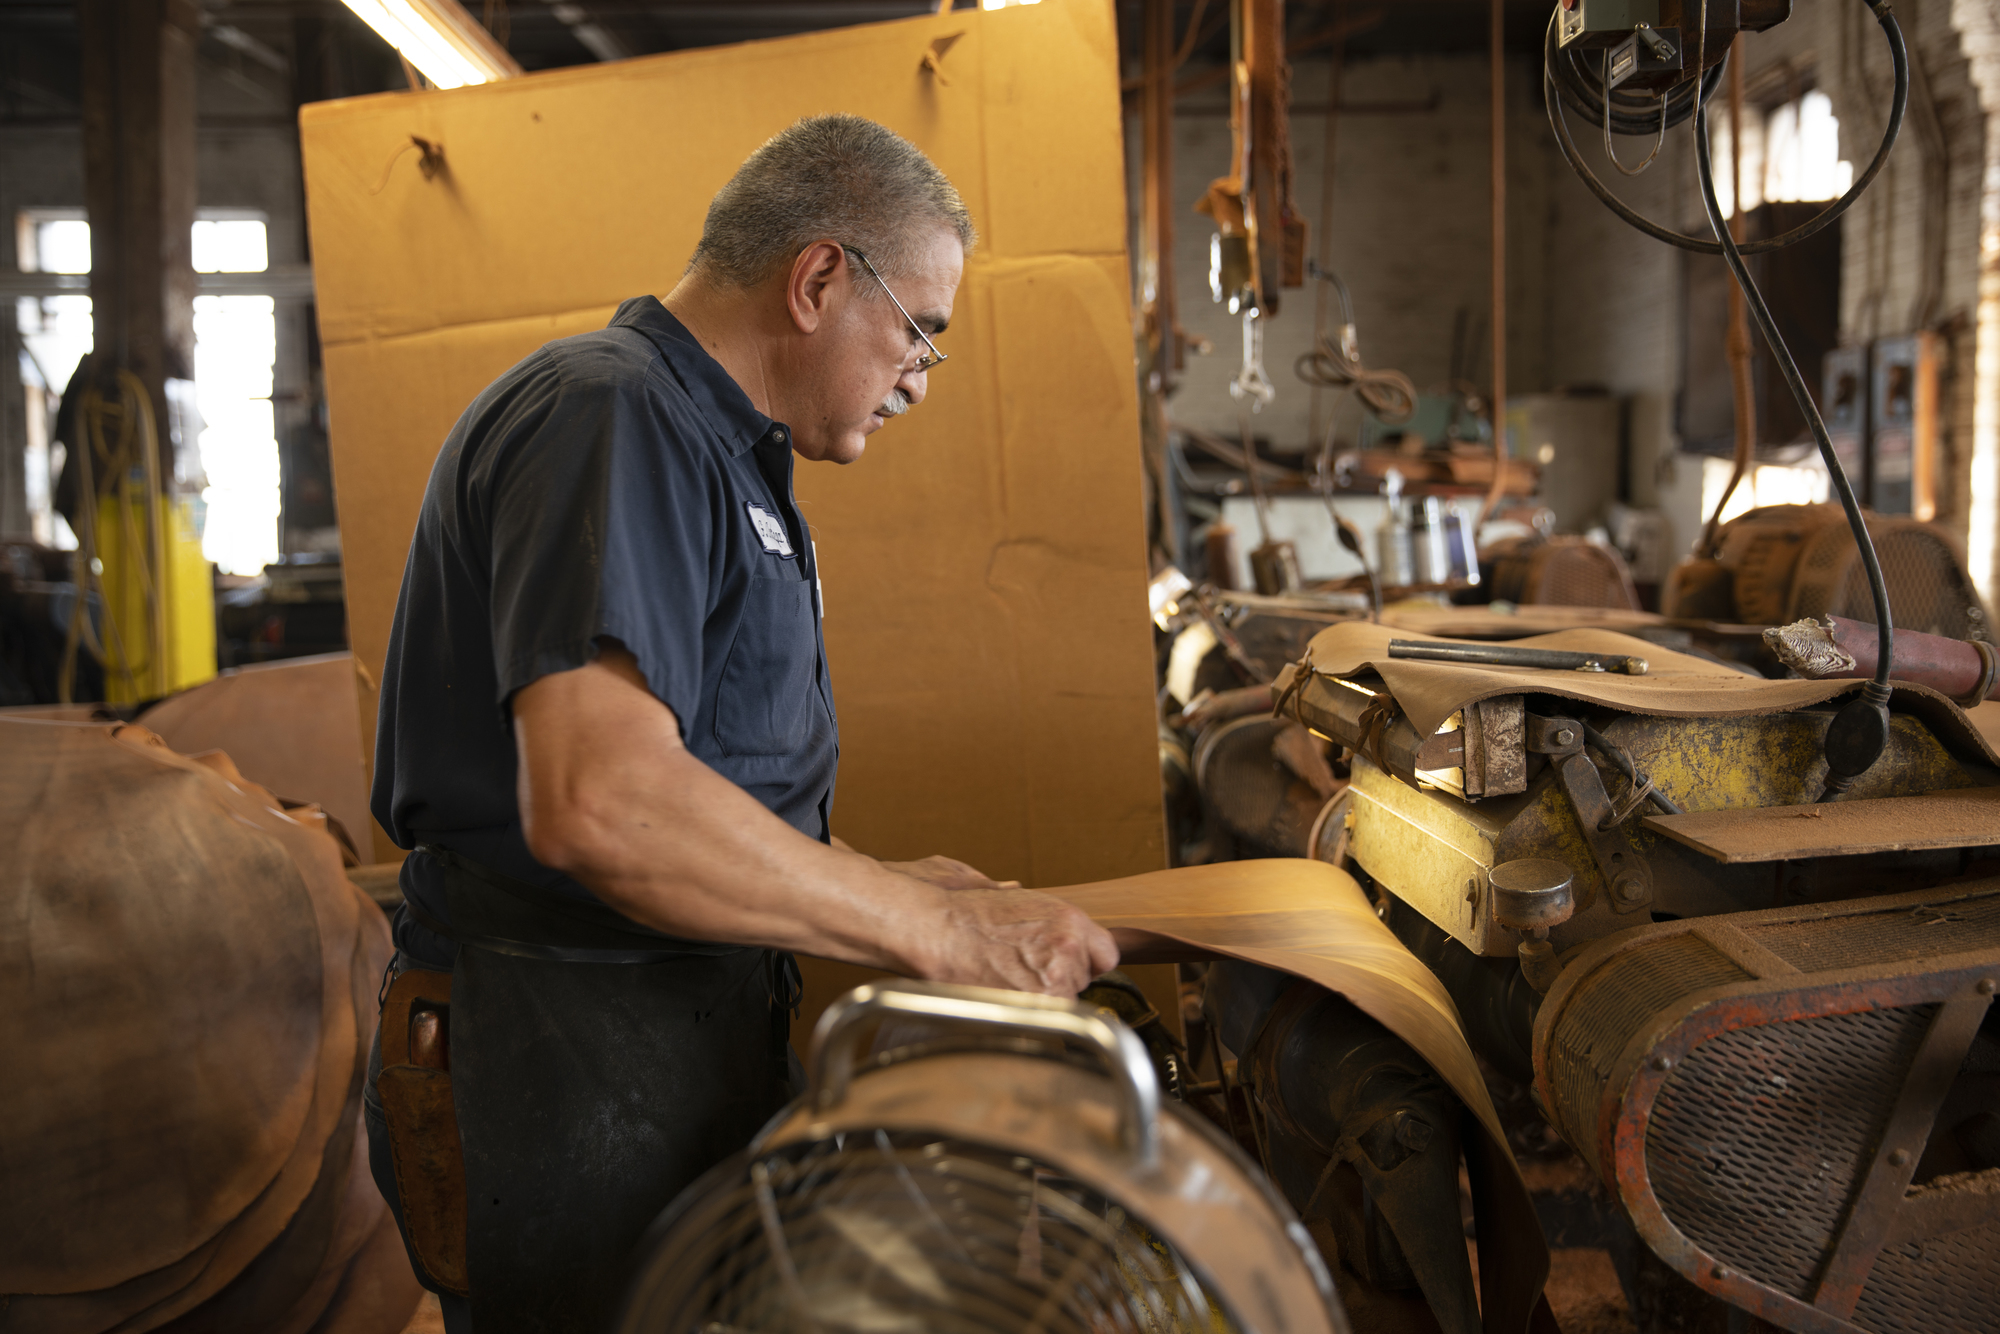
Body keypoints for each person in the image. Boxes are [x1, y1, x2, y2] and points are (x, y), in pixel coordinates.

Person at [362, 114, 1119, 1332]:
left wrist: (860, 877)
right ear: (819, 278)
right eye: (920, 329)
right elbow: (605, 802)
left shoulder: (723, 457)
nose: (922, 373)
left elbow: (700, 777)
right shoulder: (611, 415)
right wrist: (924, 930)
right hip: (555, 1055)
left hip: (660, 1032)